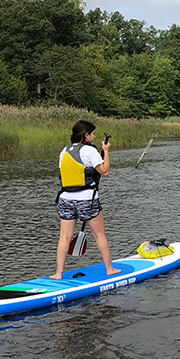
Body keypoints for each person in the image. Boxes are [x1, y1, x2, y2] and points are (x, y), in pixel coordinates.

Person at [51, 120, 121, 280]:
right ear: (86, 135)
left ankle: (58, 273)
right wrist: (106, 151)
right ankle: (110, 269)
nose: (94, 136)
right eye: (92, 133)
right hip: (87, 200)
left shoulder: (64, 151)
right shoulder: (89, 151)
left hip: (65, 199)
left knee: (64, 237)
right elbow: (105, 171)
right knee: (99, 235)